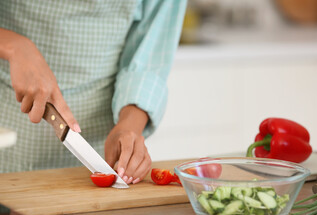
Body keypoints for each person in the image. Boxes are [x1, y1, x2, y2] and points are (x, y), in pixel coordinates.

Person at [0, 0, 187, 184]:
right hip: (7, 129)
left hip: (98, 143)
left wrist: (129, 126)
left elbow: (150, 52)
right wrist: (13, 46)